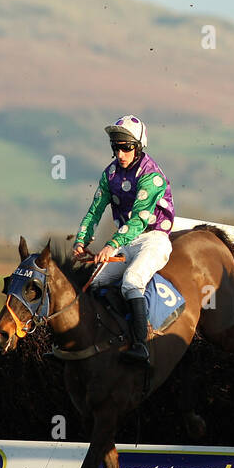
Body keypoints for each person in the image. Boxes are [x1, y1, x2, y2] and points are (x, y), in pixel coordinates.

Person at [73, 115, 176, 367]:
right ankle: (108, 335)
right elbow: (95, 210)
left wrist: (110, 246)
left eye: (126, 147)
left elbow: (139, 221)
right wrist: (81, 240)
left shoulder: (151, 176)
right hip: (126, 242)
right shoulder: (109, 175)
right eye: (116, 147)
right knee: (93, 283)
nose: (120, 153)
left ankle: (141, 345)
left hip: (154, 238)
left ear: (139, 147)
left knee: (131, 280)